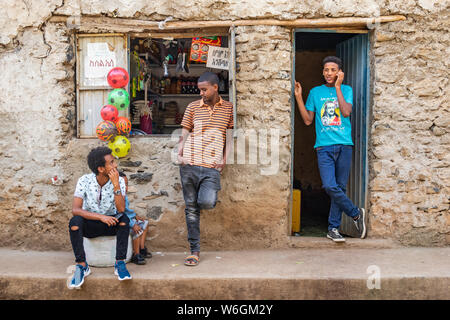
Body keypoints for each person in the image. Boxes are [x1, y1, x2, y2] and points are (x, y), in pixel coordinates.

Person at [294, 56, 366, 242]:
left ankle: (333, 229)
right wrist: (299, 97)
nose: (328, 73)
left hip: (344, 145)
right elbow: (308, 120)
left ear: (339, 72)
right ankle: (355, 213)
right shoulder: (316, 93)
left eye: (333, 70)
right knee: (329, 185)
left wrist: (338, 88)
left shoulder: (346, 90)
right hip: (324, 147)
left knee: (339, 187)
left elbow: (346, 112)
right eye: (326, 69)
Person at [177, 71, 233, 266]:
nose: (201, 93)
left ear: (215, 87)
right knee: (191, 209)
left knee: (207, 202)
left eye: (204, 89)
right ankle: (194, 250)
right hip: (190, 165)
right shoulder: (193, 107)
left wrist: (225, 159)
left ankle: (196, 208)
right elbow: (184, 131)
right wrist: (180, 153)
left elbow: (231, 137)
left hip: (211, 167)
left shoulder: (228, 108)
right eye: (200, 90)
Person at [68, 147, 132, 289]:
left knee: (124, 220)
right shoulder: (84, 180)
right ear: (101, 169)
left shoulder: (119, 180)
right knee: (75, 223)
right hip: (91, 224)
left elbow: (121, 209)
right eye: (111, 163)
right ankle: (82, 265)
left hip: (111, 223)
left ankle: (119, 263)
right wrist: (100, 217)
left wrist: (116, 184)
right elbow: (76, 209)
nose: (115, 165)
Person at [118, 171, 152, 265]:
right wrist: (133, 224)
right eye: (122, 184)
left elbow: (127, 211)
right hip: (124, 222)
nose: (125, 187)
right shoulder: (117, 198)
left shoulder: (124, 197)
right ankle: (136, 254)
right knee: (136, 230)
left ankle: (141, 248)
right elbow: (121, 214)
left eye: (126, 184)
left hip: (129, 218)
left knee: (145, 223)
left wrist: (135, 216)